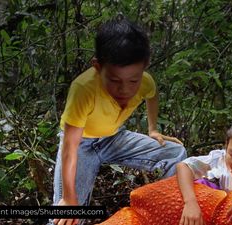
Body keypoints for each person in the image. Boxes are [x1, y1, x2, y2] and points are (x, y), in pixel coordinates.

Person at [51, 16, 187, 225]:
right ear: (97, 66)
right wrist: (69, 198)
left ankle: (164, 214)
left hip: (114, 137)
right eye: (114, 80)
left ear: (145, 66)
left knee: (174, 153)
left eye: (133, 80)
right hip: (82, 146)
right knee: (68, 215)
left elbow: (152, 95)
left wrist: (153, 129)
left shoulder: (145, 81)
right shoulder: (83, 89)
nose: (125, 89)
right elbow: (70, 146)